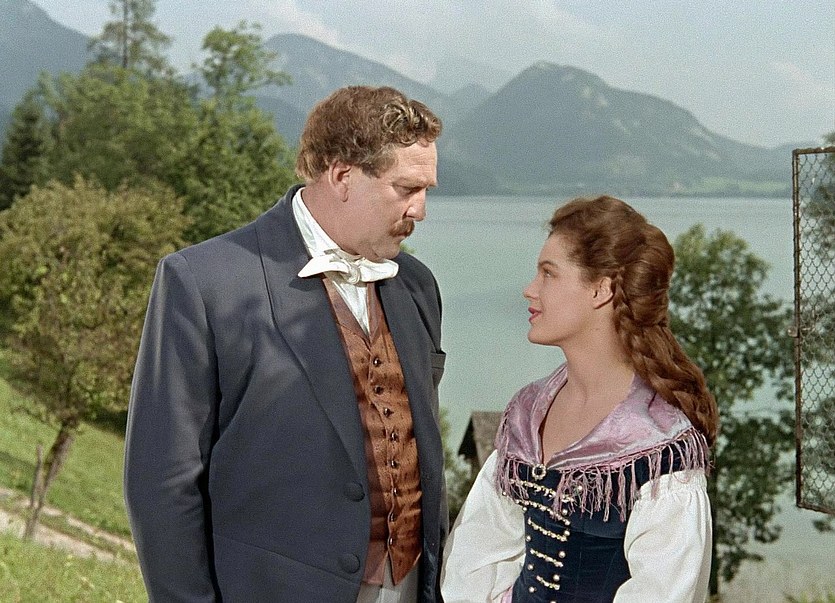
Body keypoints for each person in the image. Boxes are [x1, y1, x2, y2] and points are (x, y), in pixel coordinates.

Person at [124, 85, 448, 602]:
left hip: (409, 586)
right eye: (406, 188)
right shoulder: (203, 282)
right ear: (341, 175)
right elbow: (162, 482)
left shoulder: (417, 286)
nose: (421, 210)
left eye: (426, 189)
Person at [441, 196, 718, 602]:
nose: (530, 290)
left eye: (548, 274)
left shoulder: (657, 442)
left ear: (601, 290)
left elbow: (663, 591)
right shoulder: (527, 413)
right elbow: (478, 555)